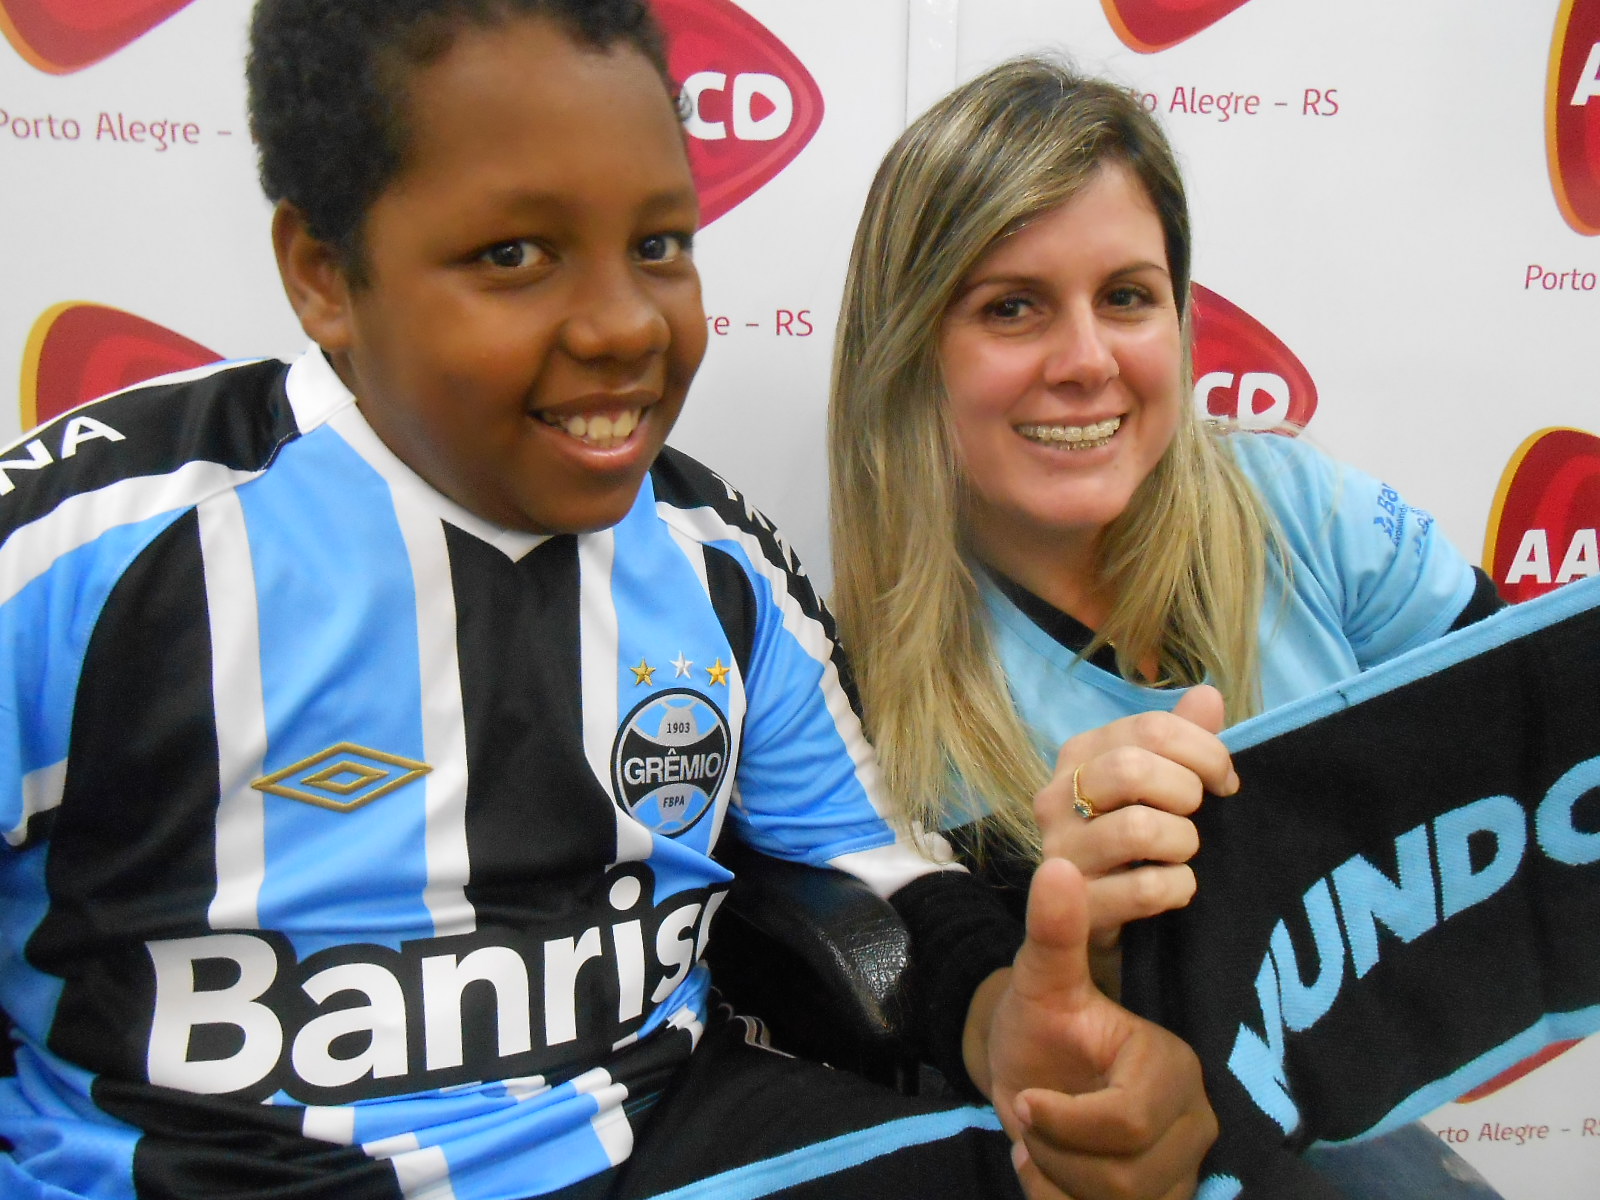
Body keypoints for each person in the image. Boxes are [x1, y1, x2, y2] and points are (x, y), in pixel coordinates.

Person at [0, 7, 1218, 1199]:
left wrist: (1018, 1037)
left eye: (657, 246)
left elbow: (894, 888)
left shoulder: (714, 560)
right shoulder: (86, 552)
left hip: (659, 1140)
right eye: (515, 255)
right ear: (325, 273)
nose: (626, 325)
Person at [826, 56, 1506, 1199]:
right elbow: (1045, 1087)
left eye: (1127, 297)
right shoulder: (864, 704)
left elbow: (1523, 756)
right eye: (1010, 307)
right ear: (908, 351)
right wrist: (1083, 941)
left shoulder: (1306, 513)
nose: (1087, 361)